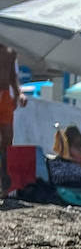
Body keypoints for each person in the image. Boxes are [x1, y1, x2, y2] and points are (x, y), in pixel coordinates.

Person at [1, 46, 28, 193]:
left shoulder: (11, 49)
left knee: (7, 139)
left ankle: (4, 185)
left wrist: (19, 94)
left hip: (5, 96)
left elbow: (13, 76)